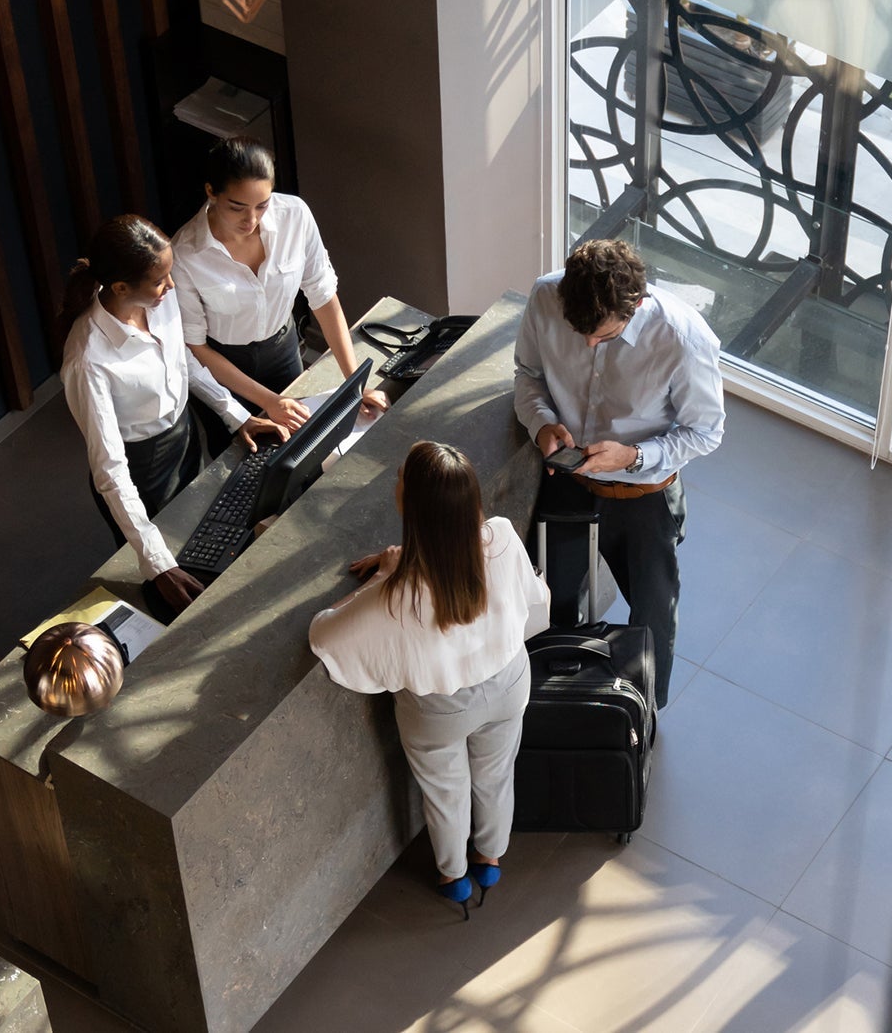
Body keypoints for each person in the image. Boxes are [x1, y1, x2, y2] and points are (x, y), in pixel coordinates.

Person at [309, 441, 549, 918]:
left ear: (411, 506)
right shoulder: (502, 536)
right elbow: (530, 599)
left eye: (400, 476)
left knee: (445, 791)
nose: (395, 480)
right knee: (496, 775)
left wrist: (382, 576)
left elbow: (324, 635)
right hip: (508, 683)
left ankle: (453, 876)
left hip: (439, 711)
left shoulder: (395, 595)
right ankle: (490, 859)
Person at [513, 239, 725, 711]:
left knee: (651, 617)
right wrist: (542, 423)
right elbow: (527, 373)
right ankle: (553, 703)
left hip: (644, 492)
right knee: (547, 600)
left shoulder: (683, 339)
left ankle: (642, 714)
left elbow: (707, 432)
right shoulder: (546, 296)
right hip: (569, 479)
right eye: (579, 332)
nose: (590, 344)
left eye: (604, 336)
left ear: (638, 305)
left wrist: (632, 456)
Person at [60, 215, 288, 615]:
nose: (171, 285)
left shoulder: (158, 303)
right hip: (139, 473)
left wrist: (236, 415)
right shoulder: (88, 359)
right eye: (159, 280)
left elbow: (183, 362)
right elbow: (110, 471)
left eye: (170, 273)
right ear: (121, 288)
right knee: (169, 587)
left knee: (206, 544)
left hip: (182, 438)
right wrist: (157, 565)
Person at [170, 136, 387, 437]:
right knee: (244, 456)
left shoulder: (294, 216)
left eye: (262, 205)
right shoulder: (185, 253)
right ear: (211, 192)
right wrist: (269, 401)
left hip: (282, 350)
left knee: (305, 440)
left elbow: (323, 297)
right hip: (223, 368)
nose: (251, 219)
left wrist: (355, 384)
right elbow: (196, 346)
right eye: (237, 207)